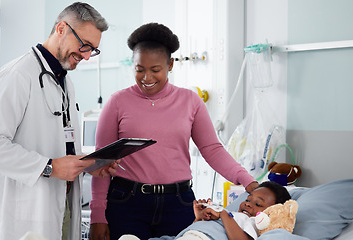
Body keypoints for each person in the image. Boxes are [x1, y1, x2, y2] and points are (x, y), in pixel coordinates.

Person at [89, 22, 259, 240]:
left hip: (178, 203)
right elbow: (101, 163)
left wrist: (247, 180)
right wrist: (97, 216)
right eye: (139, 70)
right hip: (127, 202)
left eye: (155, 70)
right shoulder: (117, 102)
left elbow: (212, 149)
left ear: (170, 65)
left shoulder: (190, 101)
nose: (146, 78)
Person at [0, 2, 115, 240]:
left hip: (63, 205)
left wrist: (88, 167)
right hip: (23, 212)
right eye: (85, 46)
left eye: (93, 50)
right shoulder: (17, 75)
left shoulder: (65, 81)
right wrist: (49, 166)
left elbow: (60, 145)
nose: (87, 56)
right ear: (61, 28)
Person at [120, 181, 291, 240]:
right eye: (248, 200)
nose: (248, 204)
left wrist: (223, 213)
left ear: (271, 212)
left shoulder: (253, 222)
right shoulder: (235, 215)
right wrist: (199, 219)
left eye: (258, 204)